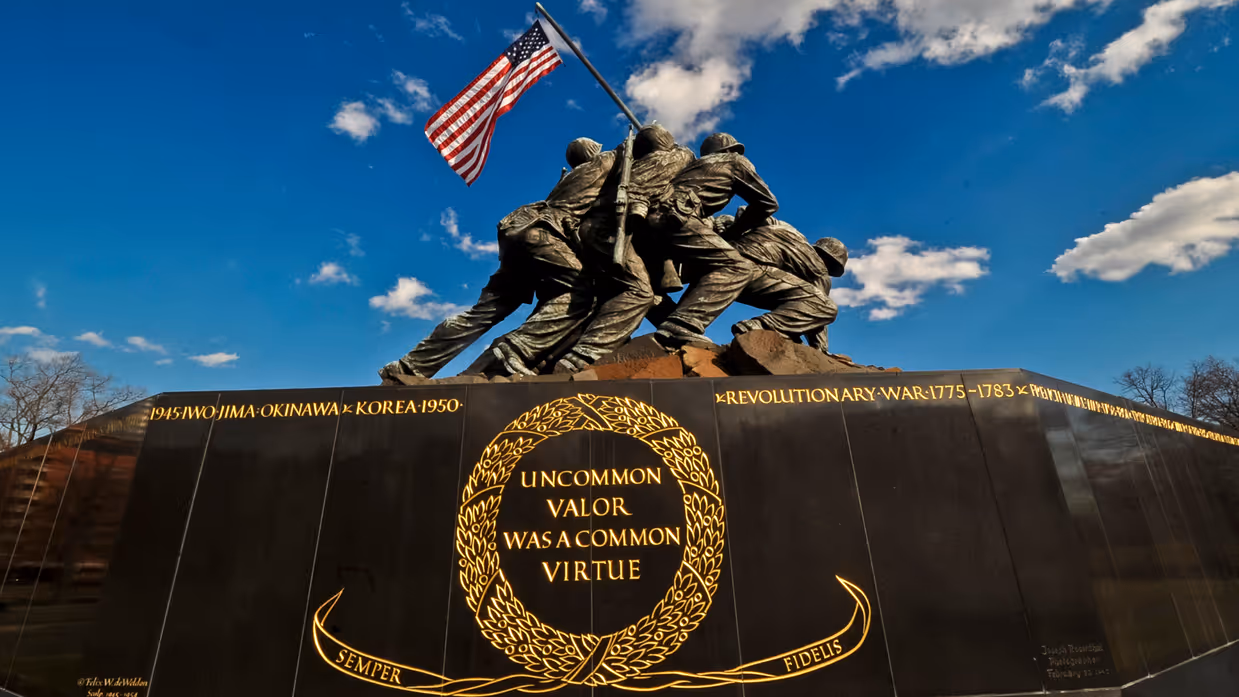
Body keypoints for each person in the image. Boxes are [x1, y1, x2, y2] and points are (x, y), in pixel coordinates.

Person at [378, 138, 613, 382]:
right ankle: (514, 350)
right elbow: (643, 143)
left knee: (485, 311)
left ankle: (409, 365)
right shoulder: (602, 164)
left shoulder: (567, 180)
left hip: (518, 235)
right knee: (581, 292)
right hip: (543, 236)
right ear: (594, 153)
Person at [554, 124, 696, 373]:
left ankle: (678, 332)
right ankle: (581, 355)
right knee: (640, 292)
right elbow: (677, 154)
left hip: (589, 241)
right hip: (607, 233)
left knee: (634, 294)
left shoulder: (579, 179)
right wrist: (649, 139)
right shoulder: (605, 167)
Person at [647, 132, 779, 346]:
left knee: (649, 287)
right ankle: (681, 326)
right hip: (677, 218)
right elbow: (767, 203)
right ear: (728, 151)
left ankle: (669, 323)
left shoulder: (691, 167)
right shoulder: (735, 161)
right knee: (738, 267)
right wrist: (735, 232)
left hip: (652, 220)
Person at [715, 211, 848, 352]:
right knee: (825, 307)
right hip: (747, 274)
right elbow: (819, 308)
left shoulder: (787, 232)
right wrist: (820, 349)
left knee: (794, 314)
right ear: (830, 262)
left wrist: (734, 226)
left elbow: (744, 210)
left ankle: (770, 330)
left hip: (724, 262)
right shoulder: (819, 271)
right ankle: (760, 328)